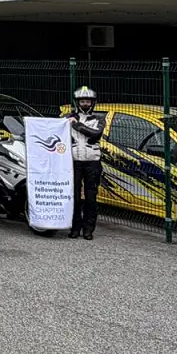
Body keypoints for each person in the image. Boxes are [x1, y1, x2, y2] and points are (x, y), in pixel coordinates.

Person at [64, 85, 106, 240]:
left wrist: (76, 125)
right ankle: (75, 227)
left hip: (92, 162)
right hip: (74, 162)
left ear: (93, 103)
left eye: (88, 101)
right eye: (82, 101)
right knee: (73, 196)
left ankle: (88, 229)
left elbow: (96, 133)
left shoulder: (99, 118)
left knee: (91, 197)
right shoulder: (66, 118)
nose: (85, 104)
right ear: (77, 102)